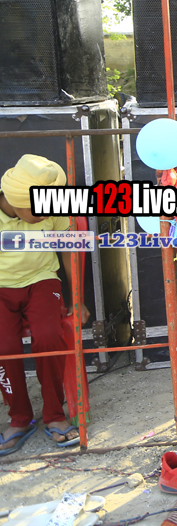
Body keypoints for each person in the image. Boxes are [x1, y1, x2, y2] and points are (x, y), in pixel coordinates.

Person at [0, 155, 80, 454]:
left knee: (49, 337)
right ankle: (19, 418)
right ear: (15, 201)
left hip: (42, 280)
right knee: (4, 346)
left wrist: (77, 298)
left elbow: (70, 249)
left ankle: (55, 415)